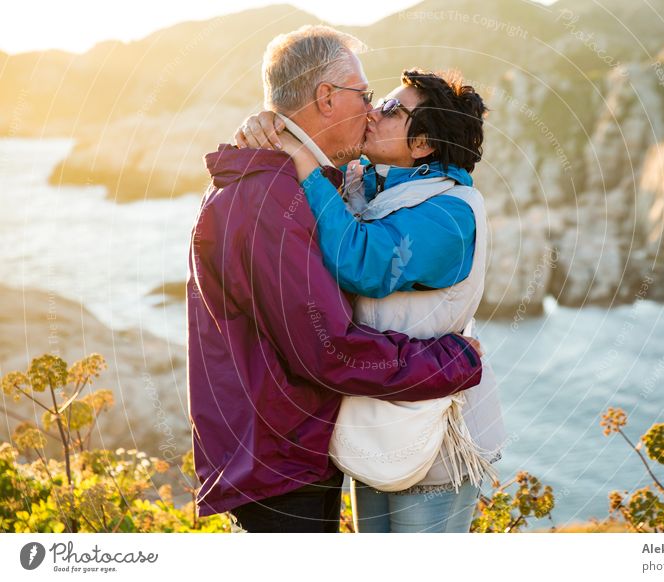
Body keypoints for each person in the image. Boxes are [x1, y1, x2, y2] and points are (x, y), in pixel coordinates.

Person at [187, 25, 484, 534]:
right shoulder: (268, 201)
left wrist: (286, 139)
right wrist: (451, 361)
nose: (371, 111)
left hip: (303, 451)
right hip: (280, 462)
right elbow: (326, 350)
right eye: (368, 97)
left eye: (385, 106)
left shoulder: (311, 188)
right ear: (326, 97)